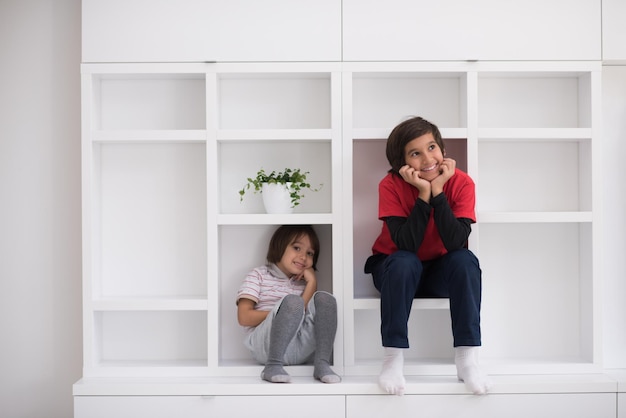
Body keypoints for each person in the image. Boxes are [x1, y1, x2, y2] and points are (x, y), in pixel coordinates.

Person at [364, 116, 492, 395]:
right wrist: (424, 193)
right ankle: (392, 358)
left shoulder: (461, 183)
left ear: (443, 149)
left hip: (436, 272)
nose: (427, 158)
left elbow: (457, 242)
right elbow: (406, 244)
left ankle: (467, 359)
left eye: (432, 147)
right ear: (403, 162)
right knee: (404, 260)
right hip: (393, 270)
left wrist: (439, 193)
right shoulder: (391, 185)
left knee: (466, 260)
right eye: (415, 153)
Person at [237, 224, 341, 384]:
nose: (303, 257)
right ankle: (272, 365)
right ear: (279, 246)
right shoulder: (259, 275)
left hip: (298, 348)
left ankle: (322, 363)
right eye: (297, 248)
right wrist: (280, 313)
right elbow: (244, 317)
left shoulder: (303, 284)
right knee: (293, 302)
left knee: (325, 299)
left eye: (310, 253)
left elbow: (303, 314)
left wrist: (312, 282)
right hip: (266, 346)